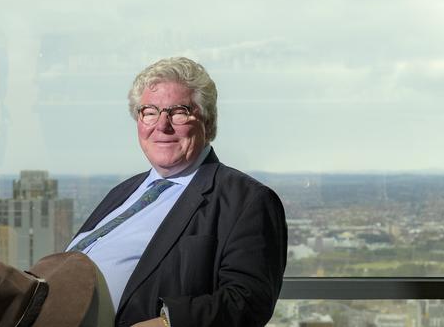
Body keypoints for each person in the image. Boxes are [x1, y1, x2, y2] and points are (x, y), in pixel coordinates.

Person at [66, 57, 287, 327]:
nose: (162, 125)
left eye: (179, 111)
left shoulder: (247, 200)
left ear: (207, 120)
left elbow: (247, 301)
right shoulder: (122, 193)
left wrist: (167, 323)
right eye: (149, 111)